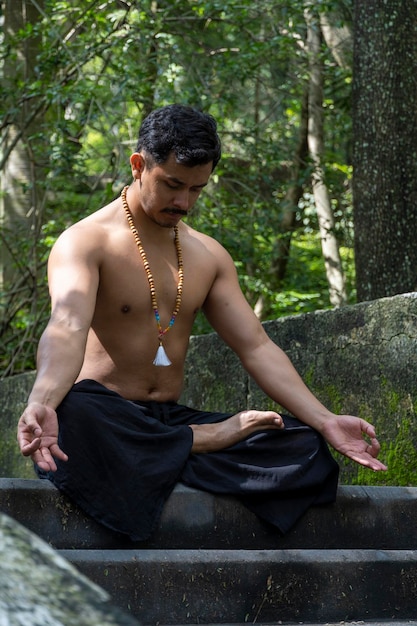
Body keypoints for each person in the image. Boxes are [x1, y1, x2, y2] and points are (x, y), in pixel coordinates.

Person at [17, 104, 387, 541]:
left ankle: (171, 454)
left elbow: (256, 346)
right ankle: (195, 445)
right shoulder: (85, 241)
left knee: (300, 444)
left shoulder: (207, 255)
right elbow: (67, 325)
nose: (183, 202)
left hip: (166, 424)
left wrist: (324, 420)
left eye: (196, 190)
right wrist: (42, 400)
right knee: (74, 412)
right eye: (172, 185)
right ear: (139, 165)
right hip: (109, 417)